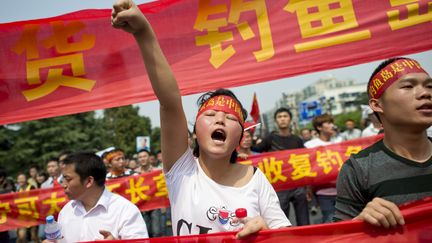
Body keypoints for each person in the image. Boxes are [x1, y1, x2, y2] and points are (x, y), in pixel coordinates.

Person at [111, 0, 290, 238]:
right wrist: (143, 32)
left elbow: (287, 235)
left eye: (229, 118)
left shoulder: (256, 180)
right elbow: (170, 103)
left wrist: (265, 230)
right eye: (211, 115)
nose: (220, 120)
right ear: (195, 131)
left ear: (240, 136)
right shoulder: (182, 170)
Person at [334, 57, 432, 228]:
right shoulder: (358, 170)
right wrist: (359, 223)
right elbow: (340, 236)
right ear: (377, 105)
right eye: (408, 86)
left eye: (429, 86)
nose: (425, 93)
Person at [52, 152, 148, 242]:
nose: (64, 185)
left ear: (89, 181)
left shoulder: (125, 210)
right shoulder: (66, 211)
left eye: (68, 179)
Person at [252, 107, 309, 226]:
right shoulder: (270, 139)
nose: (282, 119)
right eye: (279, 117)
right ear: (276, 121)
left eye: (285, 116)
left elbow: (306, 161)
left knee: (304, 221)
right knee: (280, 223)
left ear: (290, 119)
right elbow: (254, 150)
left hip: (298, 185)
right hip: (279, 186)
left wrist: (308, 186)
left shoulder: (297, 140)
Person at [304, 114, 340, 223]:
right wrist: (308, 188)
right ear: (319, 127)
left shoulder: (339, 143)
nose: (332, 126)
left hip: (341, 190)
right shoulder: (310, 145)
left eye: (332, 123)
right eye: (328, 123)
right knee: (329, 219)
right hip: (323, 191)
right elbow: (307, 168)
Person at [16, 173, 39, 243]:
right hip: (22, 217)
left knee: (34, 237)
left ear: (26, 179)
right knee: (21, 237)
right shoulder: (17, 191)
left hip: (33, 216)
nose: (21, 180)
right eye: (19, 179)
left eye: (22, 178)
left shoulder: (32, 188)